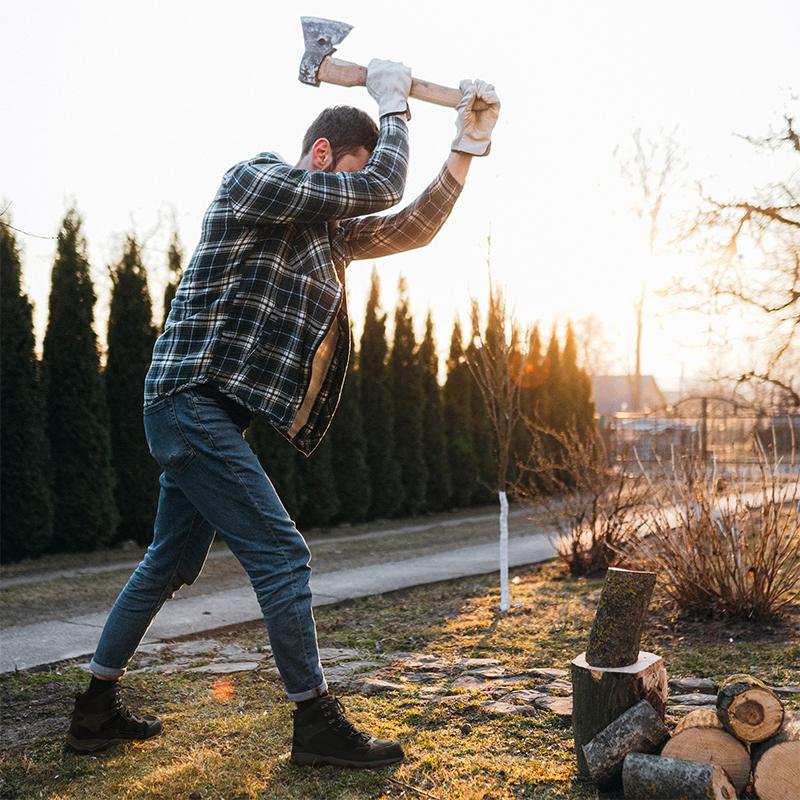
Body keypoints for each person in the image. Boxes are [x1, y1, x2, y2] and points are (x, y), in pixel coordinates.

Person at [66, 59, 500, 768]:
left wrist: (466, 146)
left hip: (208, 418)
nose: (353, 199)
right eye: (346, 177)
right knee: (283, 552)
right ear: (321, 154)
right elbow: (382, 184)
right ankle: (315, 725)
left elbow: (412, 223)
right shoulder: (254, 180)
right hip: (187, 404)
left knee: (166, 563)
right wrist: (395, 109)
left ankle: (93, 713)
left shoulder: (329, 233)